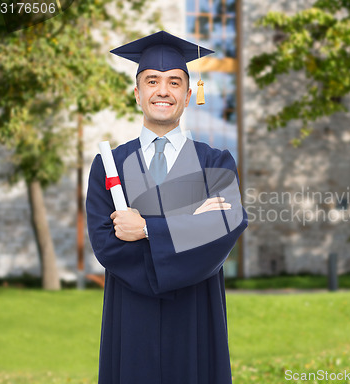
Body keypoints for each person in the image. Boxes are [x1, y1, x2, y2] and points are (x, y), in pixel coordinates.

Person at [86, 30, 248, 384]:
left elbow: (226, 226)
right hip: (131, 313)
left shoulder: (216, 163)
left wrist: (146, 230)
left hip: (195, 311)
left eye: (174, 82)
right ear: (137, 93)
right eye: (152, 81)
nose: (163, 91)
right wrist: (189, 228)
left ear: (188, 95)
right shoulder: (109, 164)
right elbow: (106, 244)